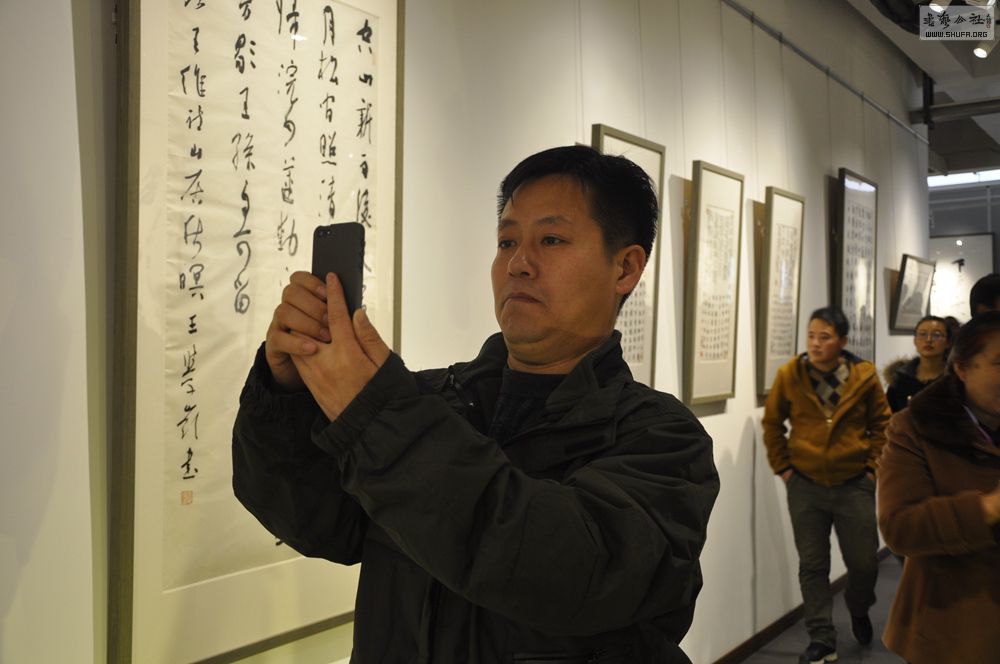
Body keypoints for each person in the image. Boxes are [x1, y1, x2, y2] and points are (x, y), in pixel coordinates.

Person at [232, 145, 720, 663]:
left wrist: (376, 416)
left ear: (625, 267)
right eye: (507, 241)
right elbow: (318, 523)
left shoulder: (663, 440)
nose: (518, 264)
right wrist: (286, 395)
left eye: (551, 240)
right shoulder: (432, 401)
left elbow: (565, 572)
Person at [761, 307, 891, 664]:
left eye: (825, 337)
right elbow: (772, 424)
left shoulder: (864, 376)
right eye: (811, 336)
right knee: (812, 564)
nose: (816, 344)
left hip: (854, 483)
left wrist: (871, 468)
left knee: (864, 563)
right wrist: (784, 469)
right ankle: (821, 637)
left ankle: (859, 607)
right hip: (805, 485)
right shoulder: (791, 374)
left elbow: (883, 424)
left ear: (842, 341)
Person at [878, 311, 1000, 664]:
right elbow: (899, 527)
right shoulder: (915, 427)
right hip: (953, 627)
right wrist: (988, 508)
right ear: (962, 368)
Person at [883, 315, 952, 413]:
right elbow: (890, 415)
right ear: (915, 341)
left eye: (936, 335)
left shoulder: (955, 379)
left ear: (948, 342)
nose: (928, 340)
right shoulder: (900, 378)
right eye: (923, 334)